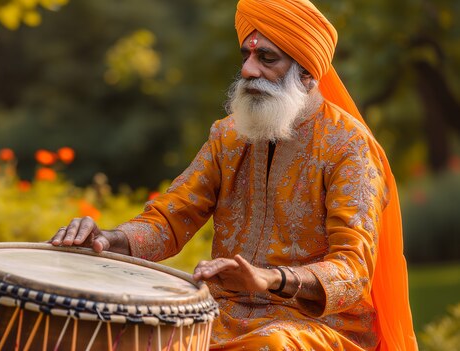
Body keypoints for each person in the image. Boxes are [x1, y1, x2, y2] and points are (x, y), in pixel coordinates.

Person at [51, 0, 418, 349]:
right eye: (247, 55)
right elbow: (173, 216)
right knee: (134, 325)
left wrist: (271, 280)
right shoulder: (228, 135)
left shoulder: (349, 148)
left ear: (307, 73)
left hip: (320, 327)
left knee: (269, 344)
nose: (248, 70)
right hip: (221, 314)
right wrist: (107, 240)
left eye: (266, 58)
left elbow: (353, 271)